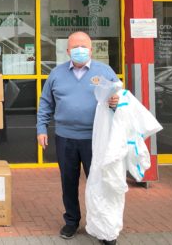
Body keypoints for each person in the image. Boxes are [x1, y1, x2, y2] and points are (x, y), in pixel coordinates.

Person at [36, 31, 119, 245]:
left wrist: (116, 102)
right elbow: (45, 103)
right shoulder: (56, 74)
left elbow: (121, 98)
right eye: (75, 47)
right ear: (68, 51)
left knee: (99, 184)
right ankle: (72, 221)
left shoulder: (105, 71)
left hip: (96, 138)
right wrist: (41, 128)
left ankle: (103, 227)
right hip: (65, 138)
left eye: (84, 46)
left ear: (91, 50)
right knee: (69, 182)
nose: (80, 50)